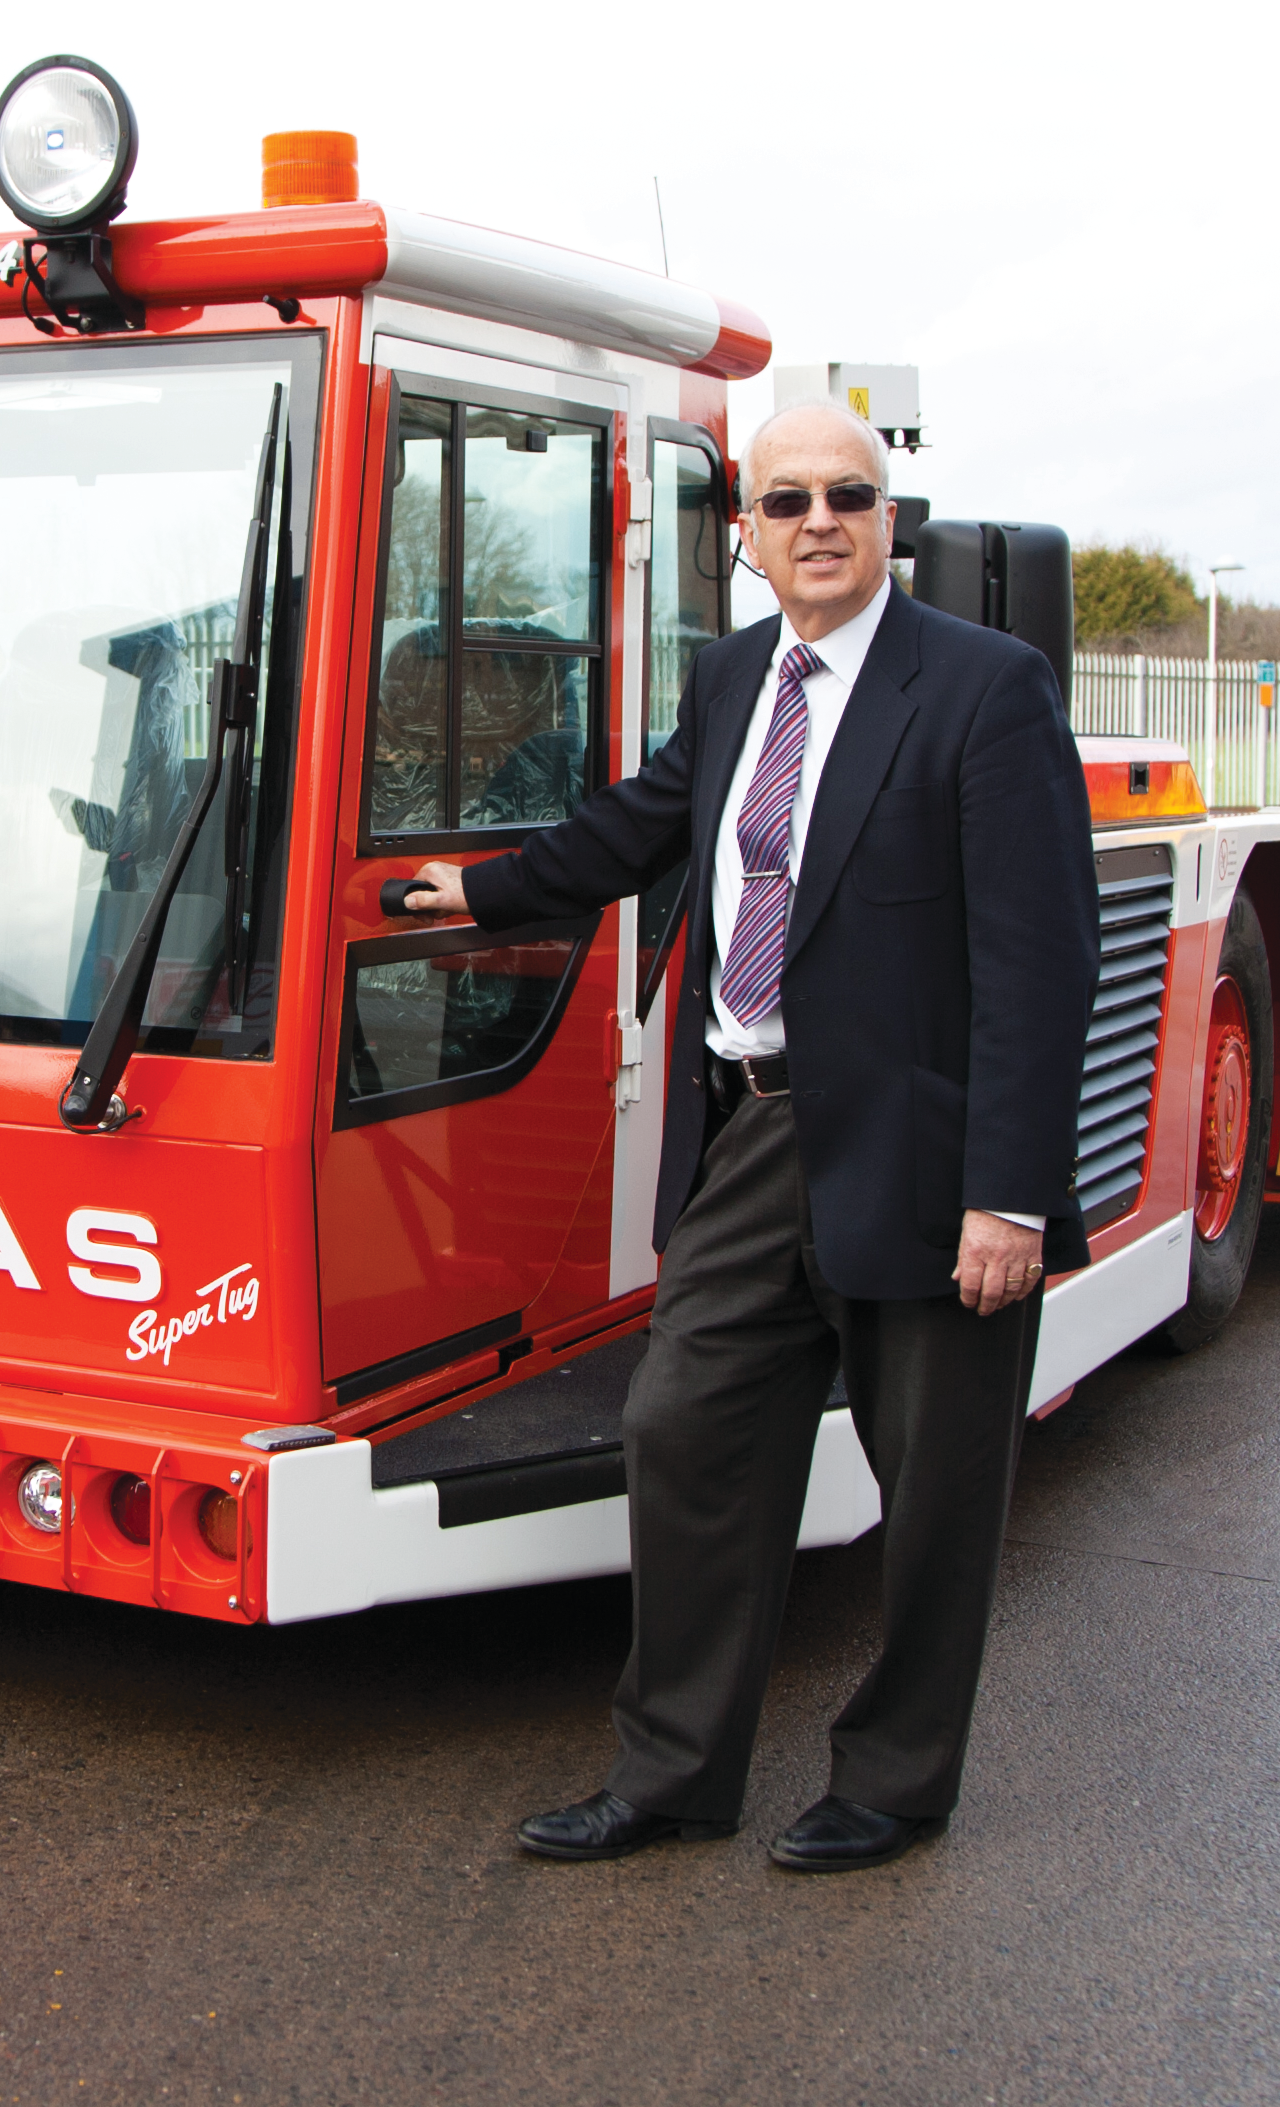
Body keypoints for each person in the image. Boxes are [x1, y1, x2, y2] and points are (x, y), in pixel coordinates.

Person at [399, 402, 1096, 1875]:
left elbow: (1042, 962)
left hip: (926, 1156)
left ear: (891, 520)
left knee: (935, 1492)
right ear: (747, 535)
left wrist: (1011, 1195)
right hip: (754, 1134)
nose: (819, 520)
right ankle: (674, 1775)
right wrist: (482, 892)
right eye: (787, 502)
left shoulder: (987, 689)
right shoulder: (732, 678)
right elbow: (642, 826)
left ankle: (896, 1781)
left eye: (849, 495)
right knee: (685, 1431)